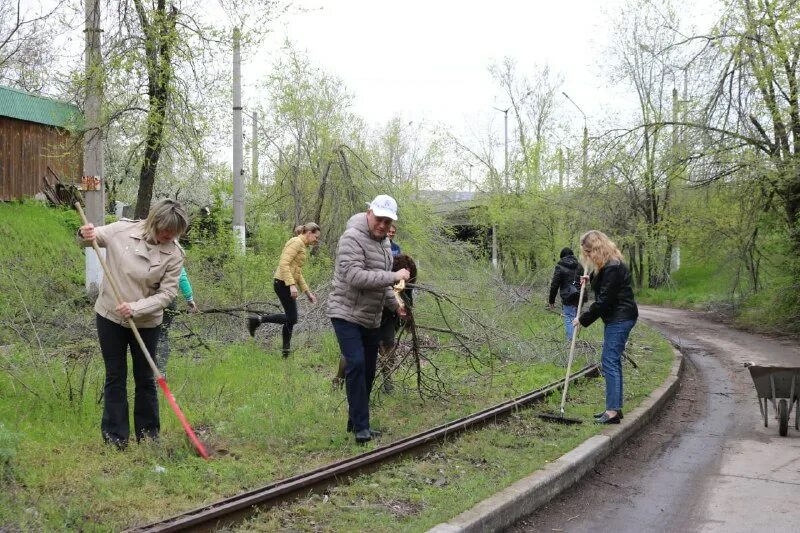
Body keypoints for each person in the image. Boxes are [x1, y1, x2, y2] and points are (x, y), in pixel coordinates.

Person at [77, 199, 189, 448]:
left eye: (174, 232)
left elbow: (168, 295)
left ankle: (148, 436)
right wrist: (84, 233)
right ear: (154, 221)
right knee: (115, 376)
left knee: (145, 378)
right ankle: (115, 438)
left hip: (147, 322)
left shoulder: (175, 254)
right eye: (165, 229)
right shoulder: (122, 230)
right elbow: (92, 239)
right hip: (110, 317)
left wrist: (136, 308)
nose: (168, 235)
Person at [327, 194, 410, 444]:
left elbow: (382, 282)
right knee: (357, 364)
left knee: (369, 371)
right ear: (369, 213)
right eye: (379, 219)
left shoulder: (384, 244)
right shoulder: (351, 238)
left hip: (371, 317)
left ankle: (355, 421)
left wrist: (395, 304)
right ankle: (362, 428)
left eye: (388, 221)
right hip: (345, 313)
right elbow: (355, 276)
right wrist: (394, 276)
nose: (383, 225)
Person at [572, 230, 638, 425]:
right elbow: (606, 285)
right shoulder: (608, 265)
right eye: (586, 252)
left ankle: (612, 412)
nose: (588, 256)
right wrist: (590, 279)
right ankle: (614, 408)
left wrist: (582, 319)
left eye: (589, 251)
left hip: (620, 317)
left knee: (609, 361)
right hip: (618, 316)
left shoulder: (613, 267)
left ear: (598, 248)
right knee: (612, 361)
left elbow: (604, 301)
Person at [248, 222, 320, 357]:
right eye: (316, 237)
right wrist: (292, 285)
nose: (316, 240)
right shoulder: (296, 242)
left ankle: (285, 353)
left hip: (285, 282)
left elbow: (297, 272)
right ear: (309, 233)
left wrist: (307, 292)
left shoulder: (301, 246)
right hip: (282, 283)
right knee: (292, 318)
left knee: (290, 319)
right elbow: (283, 263)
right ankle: (257, 320)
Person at [155, 267, 199, 378]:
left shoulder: (146, 251)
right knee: (162, 335)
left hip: (150, 299)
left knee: (147, 333)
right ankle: (161, 373)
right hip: (170, 298)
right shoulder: (173, 252)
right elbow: (182, 276)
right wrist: (189, 299)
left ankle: (150, 373)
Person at [548, 247, 585, 341]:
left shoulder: (560, 267)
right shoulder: (580, 266)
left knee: (569, 318)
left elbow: (554, 285)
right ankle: (575, 340)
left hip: (568, 296)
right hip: (580, 296)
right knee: (576, 317)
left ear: (562, 256)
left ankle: (571, 342)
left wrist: (551, 300)